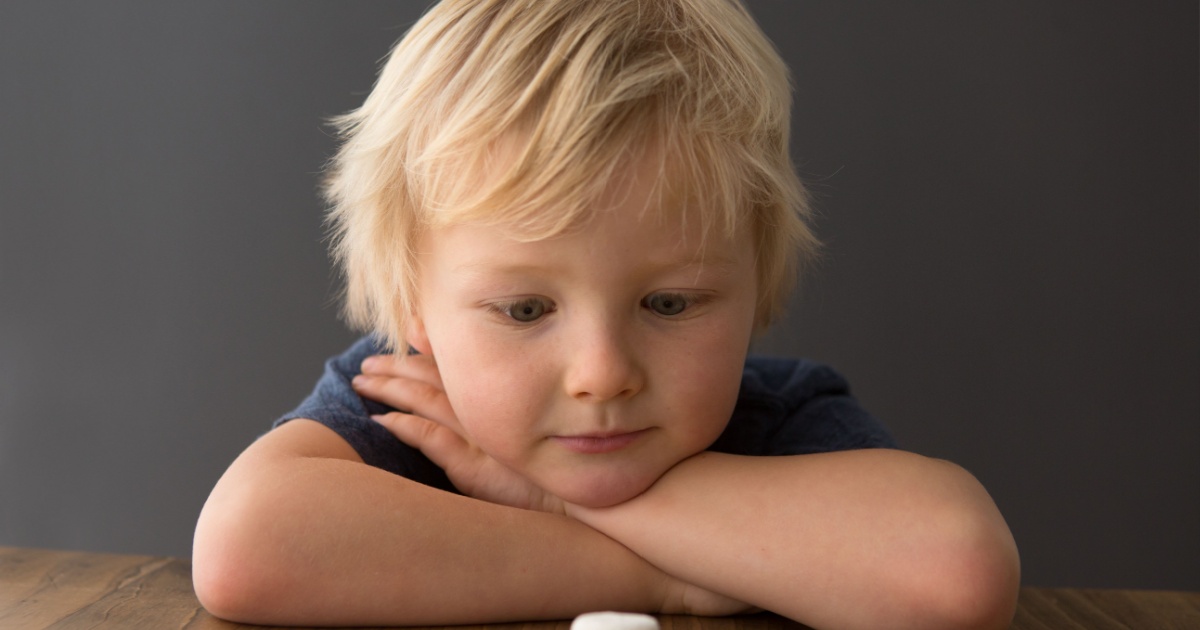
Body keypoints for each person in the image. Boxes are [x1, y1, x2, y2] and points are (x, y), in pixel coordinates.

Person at [192, 1, 1020, 628]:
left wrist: (566, 502)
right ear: (415, 311)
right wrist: (656, 577)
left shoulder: (778, 417)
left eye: (669, 303)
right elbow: (244, 548)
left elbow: (955, 573)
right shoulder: (408, 402)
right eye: (524, 309)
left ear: (756, 285)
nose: (603, 374)